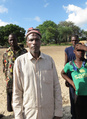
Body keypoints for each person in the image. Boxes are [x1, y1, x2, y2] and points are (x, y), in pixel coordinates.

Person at [12, 28, 63, 119]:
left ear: (40, 42)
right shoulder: (19, 62)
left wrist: (58, 112)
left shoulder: (49, 60)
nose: (34, 42)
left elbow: (56, 87)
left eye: (37, 40)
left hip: (48, 113)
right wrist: (18, 116)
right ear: (27, 42)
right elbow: (17, 92)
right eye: (31, 40)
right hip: (29, 114)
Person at [61, 43, 87, 119]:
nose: (81, 52)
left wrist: (85, 48)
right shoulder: (70, 65)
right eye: (78, 50)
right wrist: (71, 82)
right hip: (78, 95)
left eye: (83, 50)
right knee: (79, 114)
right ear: (74, 52)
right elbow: (63, 73)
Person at [3, 33, 27, 112]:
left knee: (22, 92)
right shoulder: (6, 53)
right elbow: (5, 65)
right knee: (10, 92)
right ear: (8, 41)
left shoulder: (24, 51)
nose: (12, 41)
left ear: (17, 40)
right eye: (10, 40)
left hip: (22, 77)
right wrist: (6, 75)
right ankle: (10, 108)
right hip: (10, 77)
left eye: (14, 39)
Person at [64, 35, 79, 119]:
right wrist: (66, 78)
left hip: (81, 76)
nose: (74, 42)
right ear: (71, 41)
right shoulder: (67, 50)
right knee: (72, 97)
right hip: (71, 77)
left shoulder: (81, 48)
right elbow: (66, 62)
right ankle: (74, 115)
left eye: (76, 40)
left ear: (78, 40)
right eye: (73, 40)